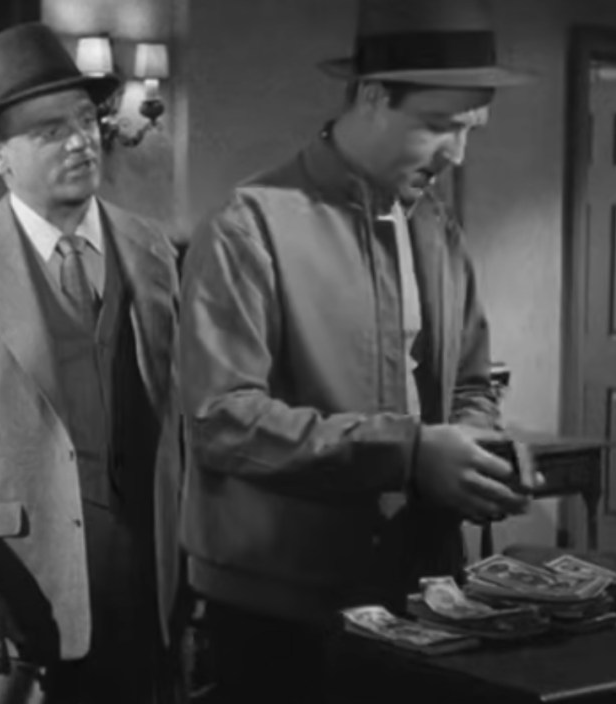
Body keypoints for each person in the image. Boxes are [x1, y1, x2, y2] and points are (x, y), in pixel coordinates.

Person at [177, 0, 536, 701]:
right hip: (281, 603)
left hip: (419, 590)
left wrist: (474, 452)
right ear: (372, 96)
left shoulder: (438, 228)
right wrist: (410, 453)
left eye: (470, 128)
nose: (457, 154)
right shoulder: (247, 227)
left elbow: (471, 381)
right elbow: (223, 421)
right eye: (439, 124)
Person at [0, 22, 180, 704]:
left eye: (84, 120)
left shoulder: (153, 247)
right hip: (20, 580)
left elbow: (180, 418)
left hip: (150, 576)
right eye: (50, 131)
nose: (81, 141)